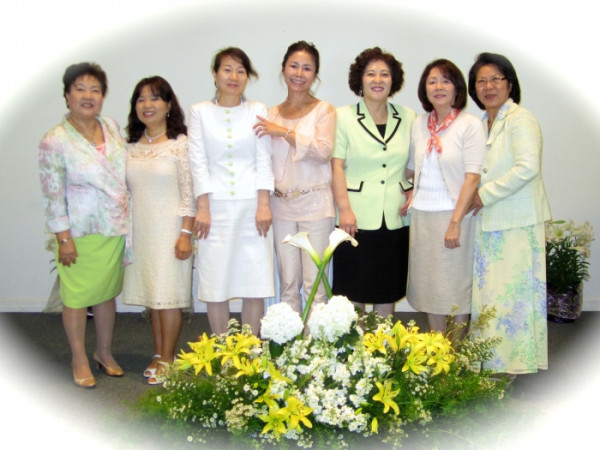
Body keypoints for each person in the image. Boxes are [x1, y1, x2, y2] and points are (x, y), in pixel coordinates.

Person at [38, 62, 129, 388]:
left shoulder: (112, 126)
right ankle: (79, 357)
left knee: (105, 294)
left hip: (113, 229)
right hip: (79, 232)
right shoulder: (54, 139)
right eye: (80, 89)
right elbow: (52, 195)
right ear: (67, 95)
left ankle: (104, 352)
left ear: (103, 96)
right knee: (76, 298)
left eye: (95, 90)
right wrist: (63, 239)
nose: (88, 96)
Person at [468, 52, 551, 377]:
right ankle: (492, 361)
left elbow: (527, 167)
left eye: (495, 79)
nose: (488, 87)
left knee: (514, 298)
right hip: (490, 223)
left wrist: (483, 195)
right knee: (492, 296)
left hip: (517, 223)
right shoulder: (480, 125)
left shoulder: (520, 118)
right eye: (481, 81)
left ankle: (512, 365)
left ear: (510, 84)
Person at [188, 47, 274, 336]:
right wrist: (203, 207)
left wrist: (264, 204)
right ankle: (224, 350)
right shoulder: (199, 112)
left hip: (253, 207)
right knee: (215, 280)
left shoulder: (257, 110)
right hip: (215, 208)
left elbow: (264, 159)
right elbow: (197, 161)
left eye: (240, 71)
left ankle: (249, 350)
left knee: (255, 281)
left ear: (248, 77)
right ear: (215, 74)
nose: (233, 76)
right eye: (227, 69)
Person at [403, 59, 485, 337]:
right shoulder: (419, 124)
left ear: (457, 88)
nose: (438, 87)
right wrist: (408, 190)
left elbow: (472, 177)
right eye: (432, 81)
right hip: (422, 216)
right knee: (430, 288)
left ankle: (456, 350)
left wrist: (455, 222)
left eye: (445, 81)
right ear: (424, 88)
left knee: (455, 287)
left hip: (454, 215)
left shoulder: (469, 124)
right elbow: (413, 169)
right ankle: (437, 347)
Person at [253, 41, 336, 315]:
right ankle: (290, 338)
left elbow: (323, 152)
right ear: (284, 69)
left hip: (316, 205)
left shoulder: (324, 110)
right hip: (281, 207)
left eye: (307, 68)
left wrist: (284, 133)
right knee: (288, 282)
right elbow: (262, 162)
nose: (299, 73)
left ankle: (315, 340)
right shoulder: (270, 114)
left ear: (315, 74)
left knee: (316, 284)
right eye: (294, 66)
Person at [332, 47, 416, 317]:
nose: (378, 80)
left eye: (384, 74)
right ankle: (355, 341)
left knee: (387, 287)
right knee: (353, 288)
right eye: (371, 74)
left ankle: (383, 340)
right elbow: (336, 166)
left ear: (393, 80)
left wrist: (413, 189)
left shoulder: (408, 117)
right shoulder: (343, 116)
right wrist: (344, 209)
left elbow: (417, 164)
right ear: (360, 79)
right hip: (355, 215)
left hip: (395, 214)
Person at [122, 76, 195, 384]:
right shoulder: (130, 147)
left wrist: (186, 234)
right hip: (142, 232)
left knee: (169, 297)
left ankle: (168, 358)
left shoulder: (181, 145)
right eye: (141, 99)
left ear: (168, 105)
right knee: (154, 298)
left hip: (172, 231)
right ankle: (158, 353)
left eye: (154, 98)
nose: (147, 105)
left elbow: (190, 194)